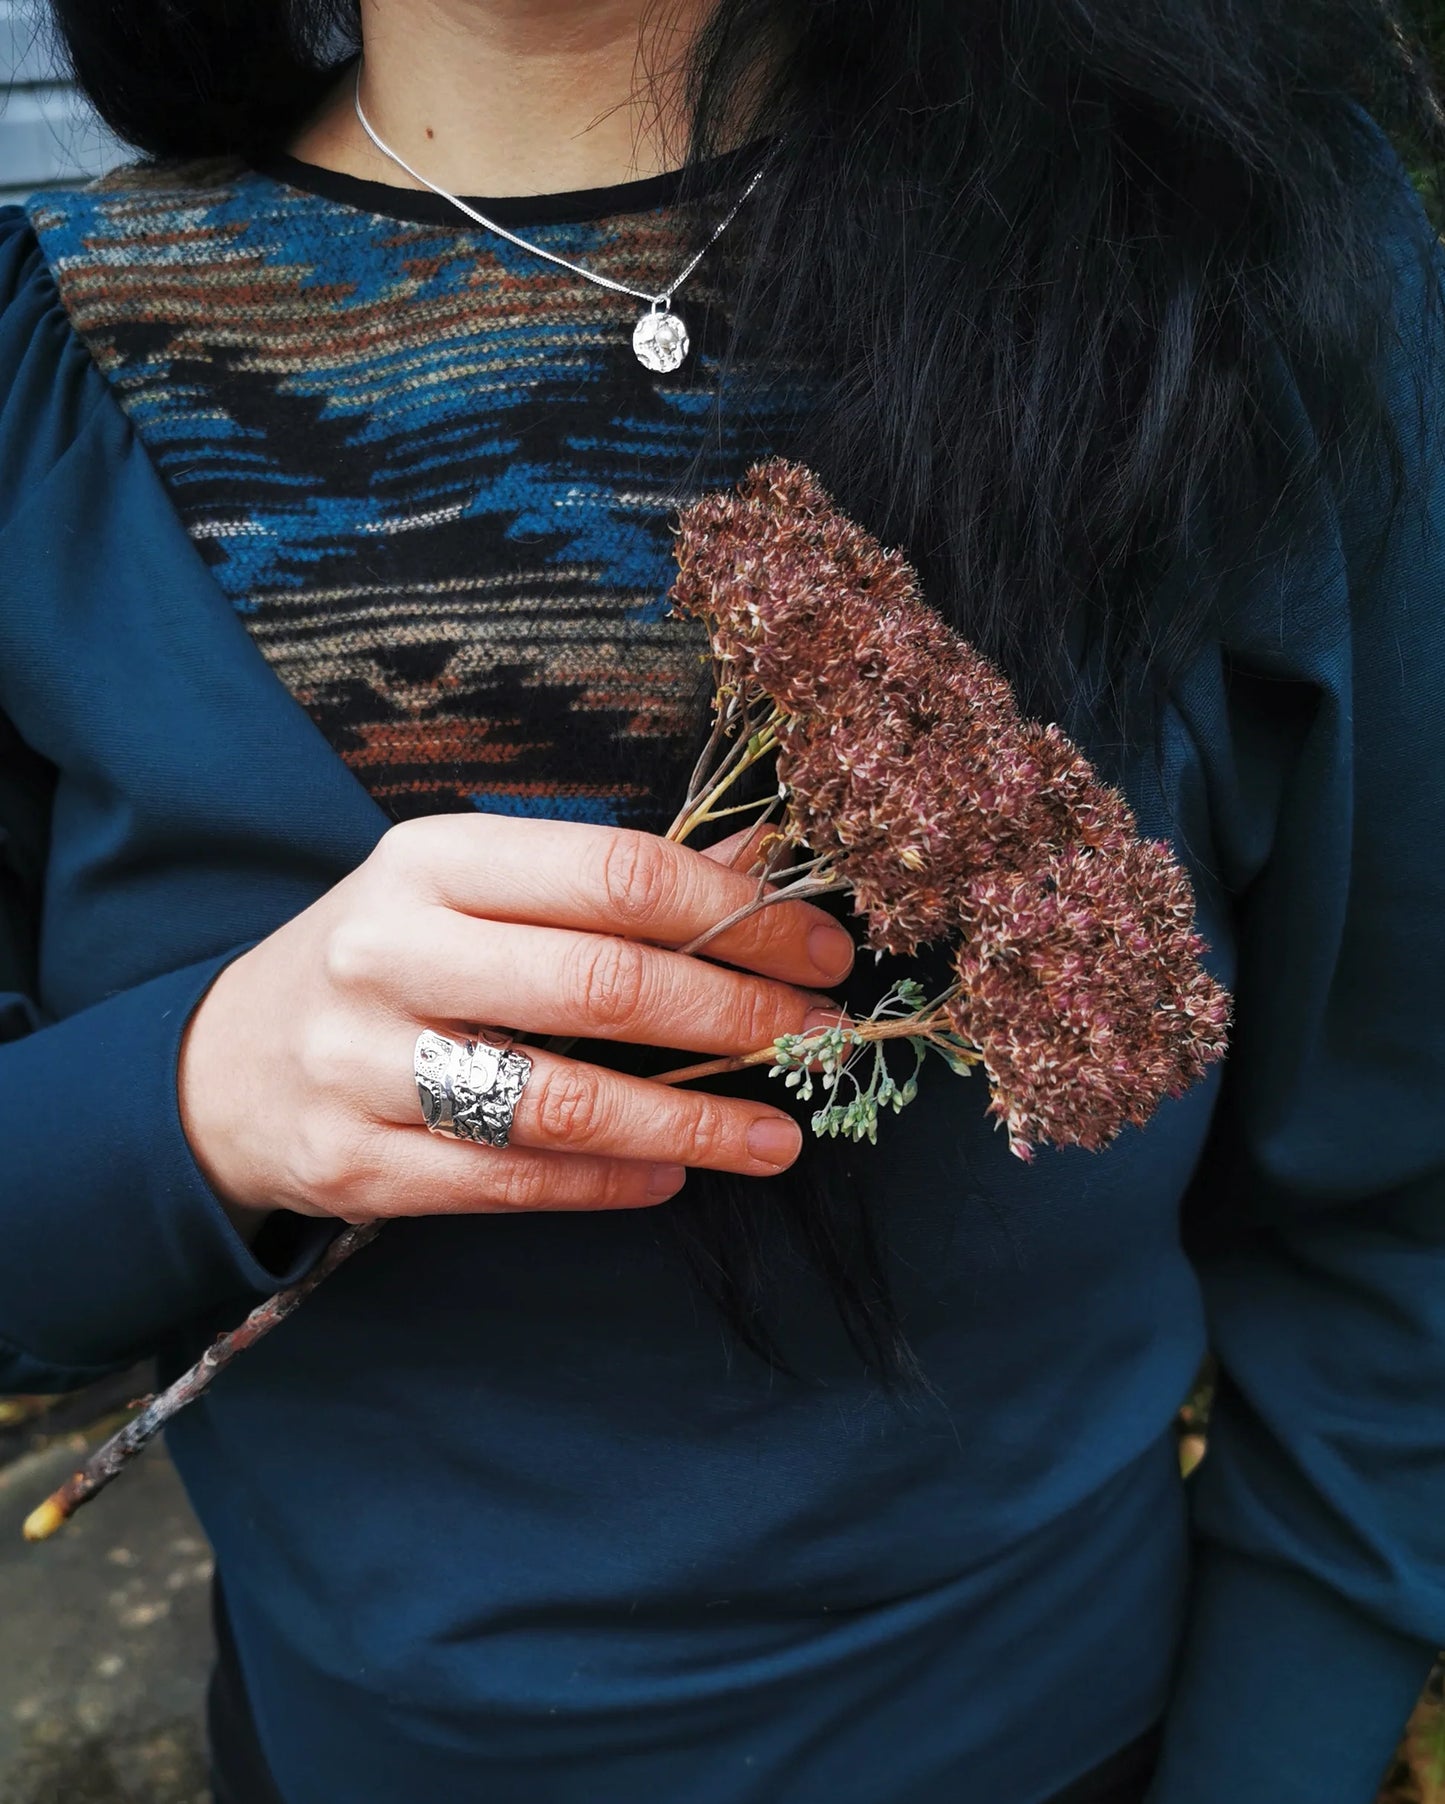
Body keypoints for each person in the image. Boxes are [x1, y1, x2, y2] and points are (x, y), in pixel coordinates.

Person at [2, 1, 1443, 1798]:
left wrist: (1278, 1752)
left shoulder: (1223, 268)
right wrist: (195, 1101)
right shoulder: (44, 362)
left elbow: (1396, 1194)